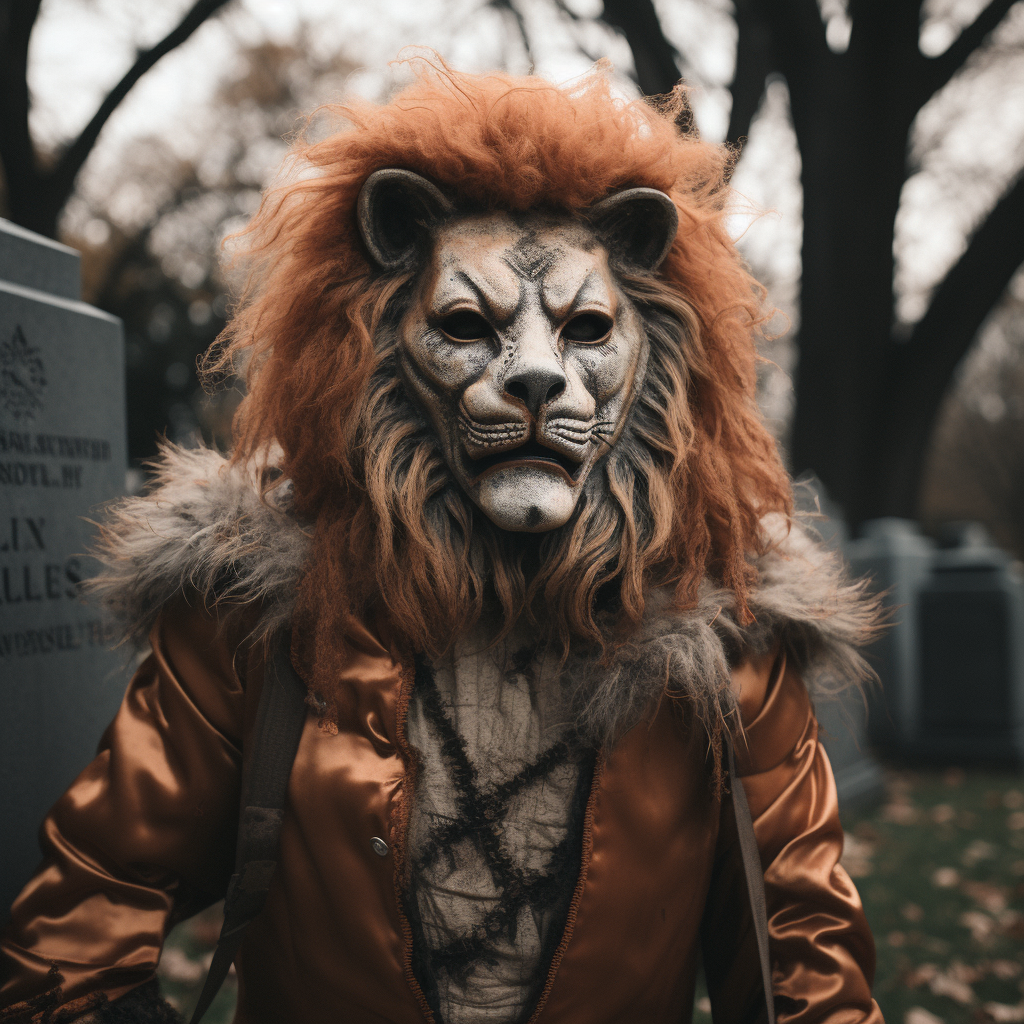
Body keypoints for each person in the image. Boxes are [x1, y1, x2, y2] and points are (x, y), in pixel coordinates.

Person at [0, 61, 883, 1024]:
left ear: (660, 351)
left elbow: (807, 964)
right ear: (369, 344)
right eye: (467, 322)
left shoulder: (734, 643)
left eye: (590, 328)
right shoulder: (252, 611)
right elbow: (76, 933)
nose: (539, 373)